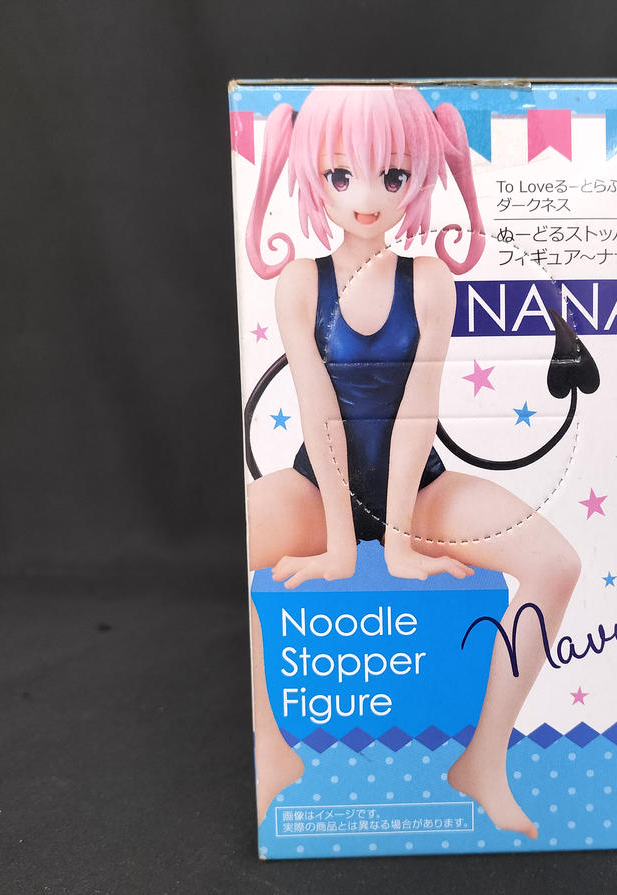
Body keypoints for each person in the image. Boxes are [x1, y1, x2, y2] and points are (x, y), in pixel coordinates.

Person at [243, 85, 580, 839]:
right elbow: (318, 412)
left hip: (417, 490)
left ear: (420, 175)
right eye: (340, 175)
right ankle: (271, 747)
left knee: (556, 564)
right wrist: (340, 542)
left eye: (392, 175)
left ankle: (483, 761)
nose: (366, 198)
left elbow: (416, 417)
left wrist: (396, 538)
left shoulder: (429, 280)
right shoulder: (300, 281)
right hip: (315, 488)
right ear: (312, 173)